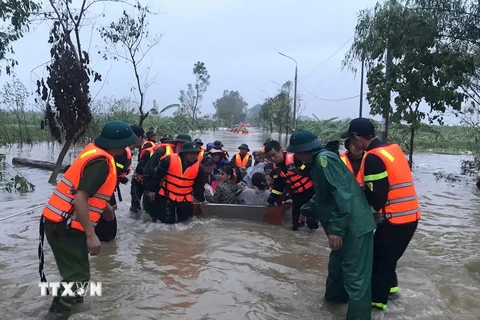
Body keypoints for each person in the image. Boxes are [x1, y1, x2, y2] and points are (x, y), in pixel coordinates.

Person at [39, 121, 138, 319]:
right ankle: (55, 315)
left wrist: (106, 207)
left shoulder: (95, 153)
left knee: (76, 274)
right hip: (65, 225)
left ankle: (75, 310)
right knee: (78, 277)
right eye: (126, 144)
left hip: (57, 221)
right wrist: (92, 236)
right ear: (116, 144)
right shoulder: (101, 163)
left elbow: (86, 193)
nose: (129, 147)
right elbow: (80, 198)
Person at [286, 129, 376, 320]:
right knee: (337, 269)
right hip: (345, 225)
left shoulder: (324, 161)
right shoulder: (319, 163)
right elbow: (323, 196)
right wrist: (305, 209)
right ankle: (332, 307)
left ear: (302, 152)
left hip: (353, 228)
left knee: (356, 280)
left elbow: (344, 196)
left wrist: (336, 230)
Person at [341, 118, 421, 311]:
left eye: (352, 140)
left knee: (378, 263)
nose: (352, 145)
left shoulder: (373, 157)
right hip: (410, 217)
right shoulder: (393, 149)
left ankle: (377, 306)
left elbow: (377, 198)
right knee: (388, 259)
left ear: (357, 137)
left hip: (393, 220)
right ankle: (392, 292)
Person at [96, 125, 144, 242]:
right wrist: (106, 204)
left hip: (106, 192)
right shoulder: (120, 153)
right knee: (108, 234)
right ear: (138, 138)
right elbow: (102, 176)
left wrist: (121, 178)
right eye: (143, 138)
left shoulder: (122, 152)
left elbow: (113, 171)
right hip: (102, 194)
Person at [143, 141, 206, 223]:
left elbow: (199, 187)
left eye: (195, 153)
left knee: (185, 223)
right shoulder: (168, 160)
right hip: (166, 195)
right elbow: (157, 176)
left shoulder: (199, 169)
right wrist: (152, 190)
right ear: (184, 154)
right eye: (191, 153)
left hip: (184, 198)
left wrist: (202, 199)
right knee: (165, 222)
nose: (193, 156)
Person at [264, 140, 318, 231]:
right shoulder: (276, 169)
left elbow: (312, 172)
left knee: (312, 224)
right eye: (269, 157)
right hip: (297, 195)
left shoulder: (296, 159)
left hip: (311, 193)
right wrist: (270, 201)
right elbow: (278, 188)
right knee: (295, 224)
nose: (272, 159)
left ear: (280, 151)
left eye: (274, 155)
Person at [135, 134, 190, 213]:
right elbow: (148, 171)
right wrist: (150, 190)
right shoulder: (162, 152)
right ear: (177, 143)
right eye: (182, 145)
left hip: (167, 189)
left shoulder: (185, 156)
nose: (184, 148)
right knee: (149, 213)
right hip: (152, 185)